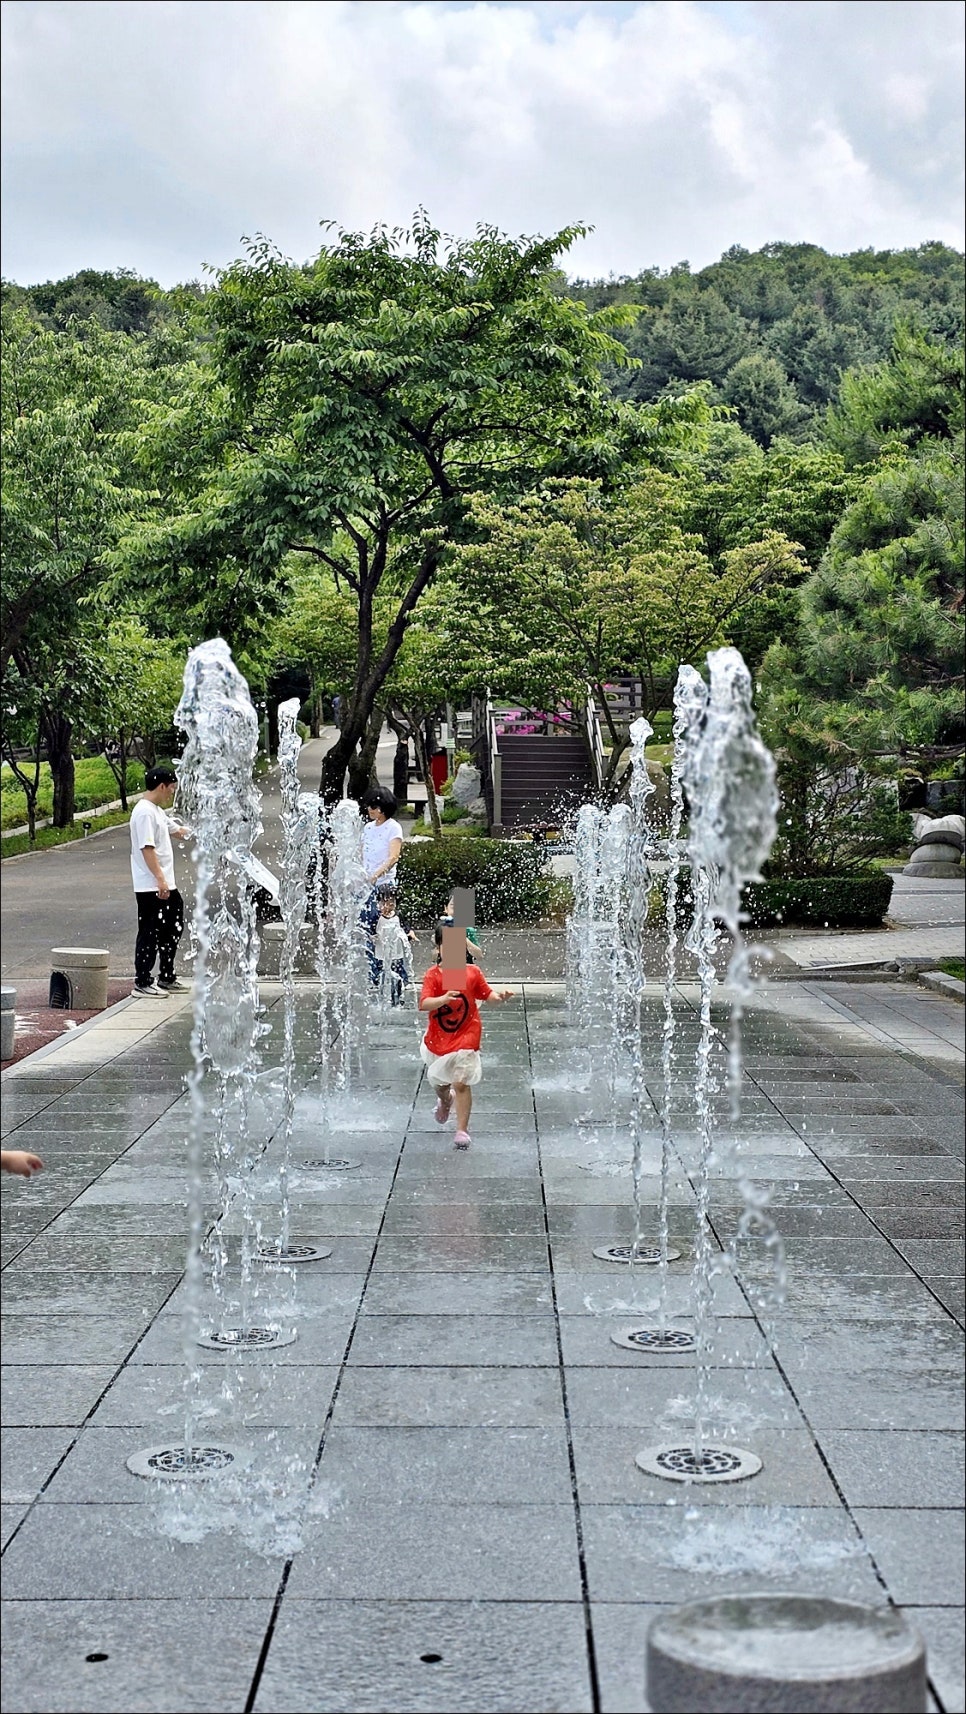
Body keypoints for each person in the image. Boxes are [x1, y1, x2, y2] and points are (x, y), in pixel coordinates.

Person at [419, 922, 514, 1148]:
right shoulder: (433, 975)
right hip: (439, 1039)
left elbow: (487, 995)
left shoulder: (472, 972)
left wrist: (500, 998)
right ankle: (445, 1100)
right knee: (441, 1084)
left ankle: (462, 1130)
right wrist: (442, 999)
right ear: (439, 948)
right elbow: (424, 1003)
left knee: (461, 1082)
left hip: (467, 1035)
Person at [129, 764, 190, 998]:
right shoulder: (144, 812)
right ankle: (142, 981)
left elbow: (178, 831)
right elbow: (147, 848)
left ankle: (167, 976)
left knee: (172, 927)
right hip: (151, 885)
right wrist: (160, 879)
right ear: (162, 785)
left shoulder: (156, 811)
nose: (172, 793)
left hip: (164, 884)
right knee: (149, 931)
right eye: (171, 788)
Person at [370, 886, 417, 1005]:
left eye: (391, 904)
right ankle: (380, 990)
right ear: (379, 903)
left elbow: (406, 928)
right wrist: (372, 937)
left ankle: (400, 990)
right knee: (381, 971)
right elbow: (371, 931)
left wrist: (410, 934)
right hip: (381, 950)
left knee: (398, 970)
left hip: (397, 950)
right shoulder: (376, 917)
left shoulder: (398, 915)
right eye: (384, 903)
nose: (388, 907)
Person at [442, 893, 481, 965]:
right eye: (453, 906)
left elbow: (479, 956)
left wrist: (464, 939)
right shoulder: (441, 929)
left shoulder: (468, 930)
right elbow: (434, 957)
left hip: (466, 969)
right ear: (446, 909)